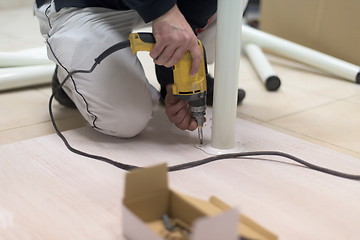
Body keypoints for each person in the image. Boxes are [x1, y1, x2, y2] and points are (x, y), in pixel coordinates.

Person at [34, 0, 245, 138]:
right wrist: (163, 10)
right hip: (86, 5)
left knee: (230, 4)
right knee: (125, 119)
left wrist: (175, 81)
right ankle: (71, 81)